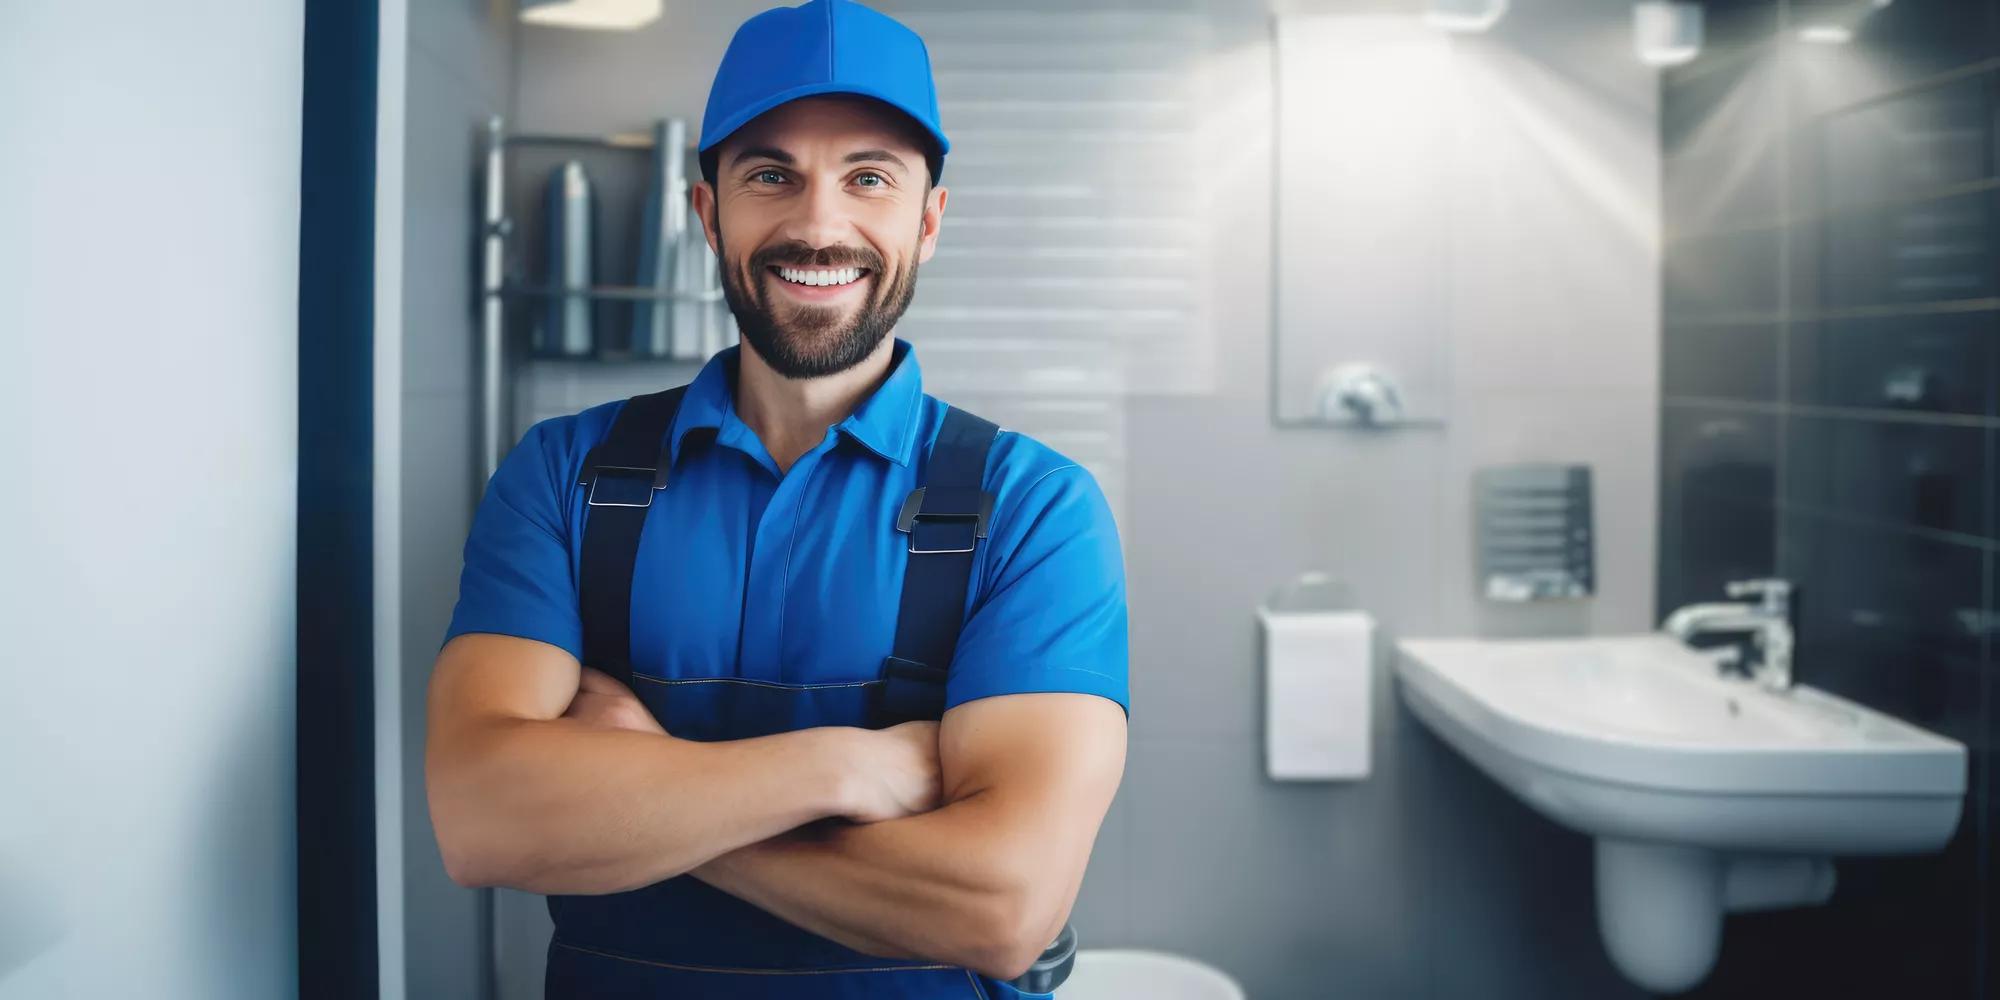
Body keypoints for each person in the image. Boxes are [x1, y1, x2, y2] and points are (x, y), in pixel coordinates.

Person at [423, 1, 1130, 996]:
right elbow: (482, 816)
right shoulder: (562, 474)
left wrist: (647, 790)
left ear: (926, 222)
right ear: (709, 211)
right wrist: (844, 770)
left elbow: (1002, 906)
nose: (816, 223)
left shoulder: (1031, 508)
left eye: (868, 178)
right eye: (770, 175)